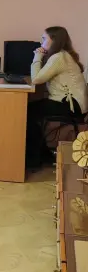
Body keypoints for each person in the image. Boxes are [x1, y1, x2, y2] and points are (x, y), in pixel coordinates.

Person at [27, 26, 88, 167]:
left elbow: (36, 79)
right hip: (72, 104)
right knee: (32, 110)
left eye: (44, 39)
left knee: (27, 112)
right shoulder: (62, 55)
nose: (41, 42)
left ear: (54, 40)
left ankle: (34, 159)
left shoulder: (59, 57)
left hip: (70, 106)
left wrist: (37, 56)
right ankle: (42, 154)